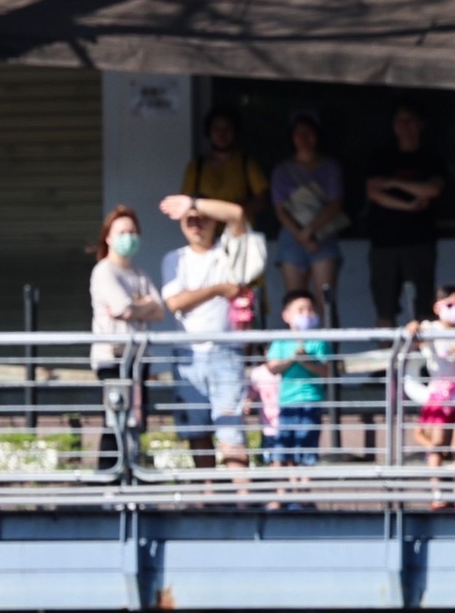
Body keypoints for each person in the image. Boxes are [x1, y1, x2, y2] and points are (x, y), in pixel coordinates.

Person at [160, 191, 264, 471]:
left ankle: (242, 503)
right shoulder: (174, 259)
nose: (196, 224)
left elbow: (238, 214)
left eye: (202, 219)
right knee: (197, 434)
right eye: (189, 220)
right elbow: (174, 302)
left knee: (232, 433)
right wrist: (219, 289)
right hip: (187, 355)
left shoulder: (228, 252)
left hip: (226, 353)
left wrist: (193, 203)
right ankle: (206, 500)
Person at [87, 205, 167, 471]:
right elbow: (122, 308)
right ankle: (110, 479)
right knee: (114, 420)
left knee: (137, 419)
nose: (128, 237)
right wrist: (139, 307)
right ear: (108, 237)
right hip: (112, 358)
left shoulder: (139, 274)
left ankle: (132, 473)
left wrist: (135, 308)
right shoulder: (104, 271)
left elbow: (159, 310)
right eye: (122, 232)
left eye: (133, 232)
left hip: (139, 357)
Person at [362, 103, 447, 326]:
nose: (405, 126)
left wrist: (392, 182)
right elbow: (373, 192)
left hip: (421, 240)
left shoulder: (431, 157)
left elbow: (433, 189)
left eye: (409, 120)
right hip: (384, 242)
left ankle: (430, 360)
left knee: (426, 306)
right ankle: (384, 359)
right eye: (400, 120)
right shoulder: (381, 157)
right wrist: (409, 205)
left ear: (420, 124)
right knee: (385, 307)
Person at [269, 111, 346, 311]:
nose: (303, 137)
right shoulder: (282, 170)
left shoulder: (330, 166)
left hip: (324, 234)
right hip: (292, 238)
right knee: (295, 303)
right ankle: (297, 343)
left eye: (308, 132)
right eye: (298, 133)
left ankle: (328, 342)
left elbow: (335, 204)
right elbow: (280, 210)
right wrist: (301, 235)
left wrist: (310, 231)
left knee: (326, 302)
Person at [409, 283, 455, 469]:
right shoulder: (430, 328)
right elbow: (415, 334)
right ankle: (437, 493)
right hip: (440, 393)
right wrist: (414, 326)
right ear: (437, 307)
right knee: (437, 442)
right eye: (449, 305)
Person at [264, 291, 331, 467]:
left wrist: (306, 360)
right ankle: (286, 491)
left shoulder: (319, 341)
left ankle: (303, 490)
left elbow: (326, 370)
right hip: (287, 402)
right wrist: (293, 358)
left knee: (307, 450)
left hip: (311, 401)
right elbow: (272, 367)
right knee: (284, 451)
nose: (306, 314)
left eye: (310, 310)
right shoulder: (281, 341)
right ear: (286, 316)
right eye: (300, 310)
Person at [182, 108, 271, 240]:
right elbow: (187, 201)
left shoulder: (246, 163)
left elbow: (262, 198)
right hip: (205, 234)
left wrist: (236, 213)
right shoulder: (196, 166)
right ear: (209, 132)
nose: (222, 133)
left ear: (235, 132)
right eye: (216, 128)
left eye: (227, 128)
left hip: (239, 233)